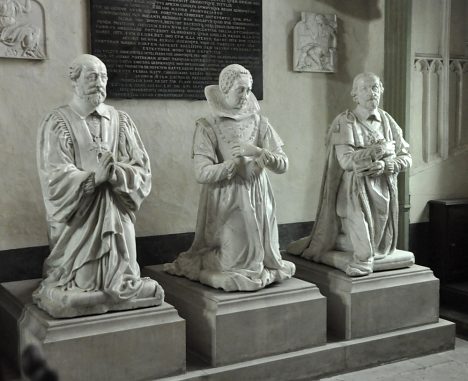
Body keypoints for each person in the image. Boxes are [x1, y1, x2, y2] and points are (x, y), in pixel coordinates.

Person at [33, 54, 163, 317]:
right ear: (75, 80)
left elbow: (141, 168)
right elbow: (54, 176)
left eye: (103, 76)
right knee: (85, 282)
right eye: (92, 76)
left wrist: (115, 175)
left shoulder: (121, 120)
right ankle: (77, 282)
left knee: (124, 277)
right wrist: (93, 178)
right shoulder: (58, 122)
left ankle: (121, 283)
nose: (100, 82)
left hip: (116, 214)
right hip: (80, 222)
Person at [164, 64, 295, 291]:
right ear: (225, 90)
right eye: (240, 90)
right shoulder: (208, 126)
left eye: (248, 89)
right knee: (236, 263)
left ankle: (248, 260)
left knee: (262, 261)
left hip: (259, 196)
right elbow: (202, 172)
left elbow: (283, 164)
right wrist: (232, 165)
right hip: (227, 200)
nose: (246, 96)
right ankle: (202, 260)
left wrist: (258, 152)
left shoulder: (260, 122)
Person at [287, 72, 412, 276]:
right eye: (365, 88)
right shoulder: (345, 122)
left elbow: (406, 157)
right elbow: (345, 161)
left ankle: (342, 241)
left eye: (375, 87)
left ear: (381, 90)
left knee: (384, 248)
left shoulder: (388, 121)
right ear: (355, 95)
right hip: (354, 192)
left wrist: (388, 165)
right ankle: (339, 244)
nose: (371, 93)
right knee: (365, 254)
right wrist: (379, 152)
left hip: (384, 192)